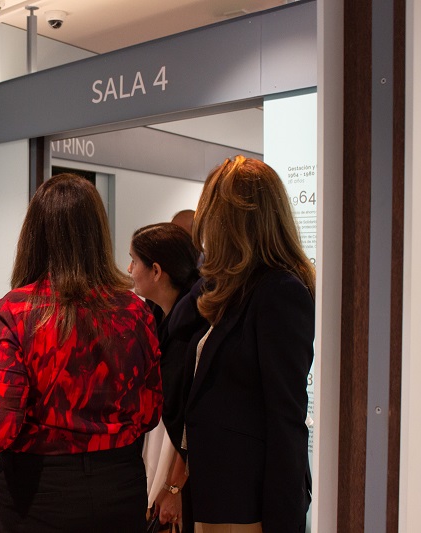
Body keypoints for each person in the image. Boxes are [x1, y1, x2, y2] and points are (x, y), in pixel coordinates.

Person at [0, 173, 163, 533]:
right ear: (97, 233)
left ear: (34, 234)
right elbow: (150, 413)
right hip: (120, 487)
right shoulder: (135, 311)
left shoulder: (17, 311)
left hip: (36, 495)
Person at [184, 156, 315, 532]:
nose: (206, 231)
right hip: (217, 494)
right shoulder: (234, 289)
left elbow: (286, 417)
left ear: (237, 222)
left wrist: (283, 521)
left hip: (247, 504)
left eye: (213, 215)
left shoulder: (279, 292)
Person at [129, 223, 205, 532]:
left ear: (157, 271)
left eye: (134, 261)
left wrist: (174, 487)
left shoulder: (190, 336)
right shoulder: (159, 321)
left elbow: (190, 419)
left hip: (178, 472)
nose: (129, 270)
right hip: (158, 457)